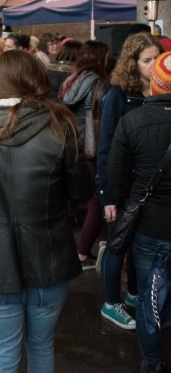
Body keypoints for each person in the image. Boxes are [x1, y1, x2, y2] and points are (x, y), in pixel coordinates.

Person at [0, 50, 93, 373]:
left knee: (3, 354)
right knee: (42, 345)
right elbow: (82, 191)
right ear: (37, 80)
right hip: (50, 259)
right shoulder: (61, 125)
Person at [107, 52, 171, 373]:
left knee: (149, 296)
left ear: (155, 85)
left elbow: (116, 180)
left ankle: (153, 362)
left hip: (149, 227)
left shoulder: (132, 121)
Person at [98, 32, 162, 331]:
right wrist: (108, 195)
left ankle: (134, 294)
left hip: (151, 188)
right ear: (133, 62)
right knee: (117, 245)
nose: (152, 65)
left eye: (155, 59)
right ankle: (111, 303)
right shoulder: (119, 94)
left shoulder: (162, 92)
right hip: (123, 187)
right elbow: (106, 147)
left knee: (140, 245)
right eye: (146, 60)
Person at [59, 40, 111, 269]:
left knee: (94, 200)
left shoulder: (71, 81)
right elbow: (105, 120)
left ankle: (103, 244)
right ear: (101, 58)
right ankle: (82, 254)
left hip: (75, 146)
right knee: (98, 202)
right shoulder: (101, 84)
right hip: (95, 148)